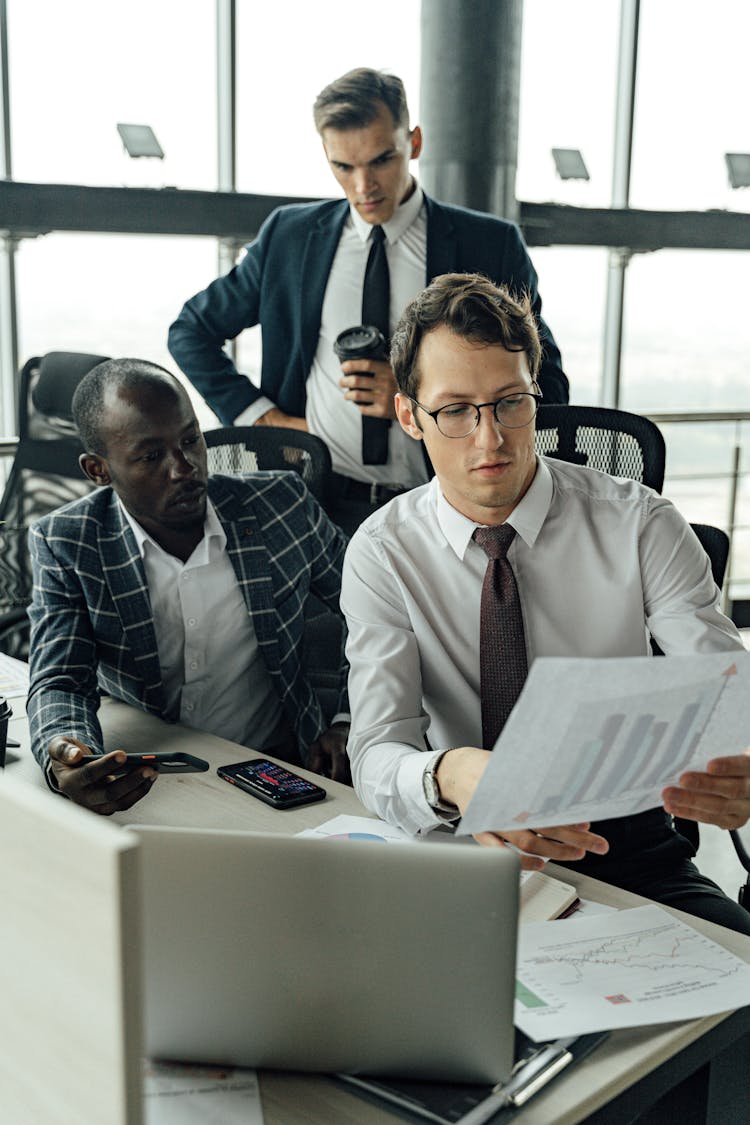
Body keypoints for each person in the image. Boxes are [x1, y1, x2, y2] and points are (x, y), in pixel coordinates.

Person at [341, 272, 750, 935]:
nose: (489, 439)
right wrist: (449, 771)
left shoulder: (639, 522)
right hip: (464, 837)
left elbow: (727, 693)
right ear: (411, 415)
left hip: (625, 843)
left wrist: (739, 764)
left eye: (510, 402)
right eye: (455, 410)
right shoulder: (382, 552)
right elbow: (378, 752)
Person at [168, 67, 568, 535]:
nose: (364, 187)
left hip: (442, 509)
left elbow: (549, 385)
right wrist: (268, 419)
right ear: (326, 155)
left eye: (381, 160)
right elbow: (190, 332)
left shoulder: (489, 245)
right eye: (344, 167)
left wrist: (412, 399)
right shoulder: (290, 237)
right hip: (313, 502)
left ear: (414, 143)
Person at [27, 358, 350, 815]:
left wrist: (349, 720)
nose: (185, 467)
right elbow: (61, 678)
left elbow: (377, 614)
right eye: (151, 455)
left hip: (278, 766)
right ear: (98, 470)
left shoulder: (281, 504)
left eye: (190, 440)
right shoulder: (70, 542)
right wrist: (68, 750)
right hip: (152, 774)